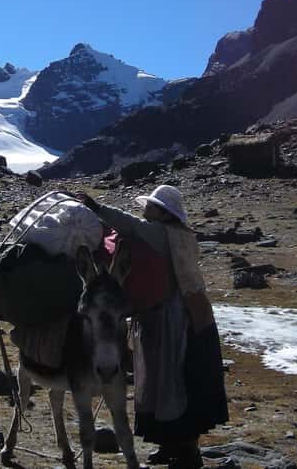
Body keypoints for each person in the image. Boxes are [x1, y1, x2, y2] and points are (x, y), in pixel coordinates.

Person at [76, 185, 229, 469]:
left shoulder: (160, 234)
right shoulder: (182, 236)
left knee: (173, 378)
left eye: (151, 206)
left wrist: (97, 208)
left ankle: (186, 450)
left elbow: (130, 225)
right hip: (191, 314)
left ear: (162, 211)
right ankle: (170, 443)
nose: (145, 209)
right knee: (172, 378)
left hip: (172, 317)